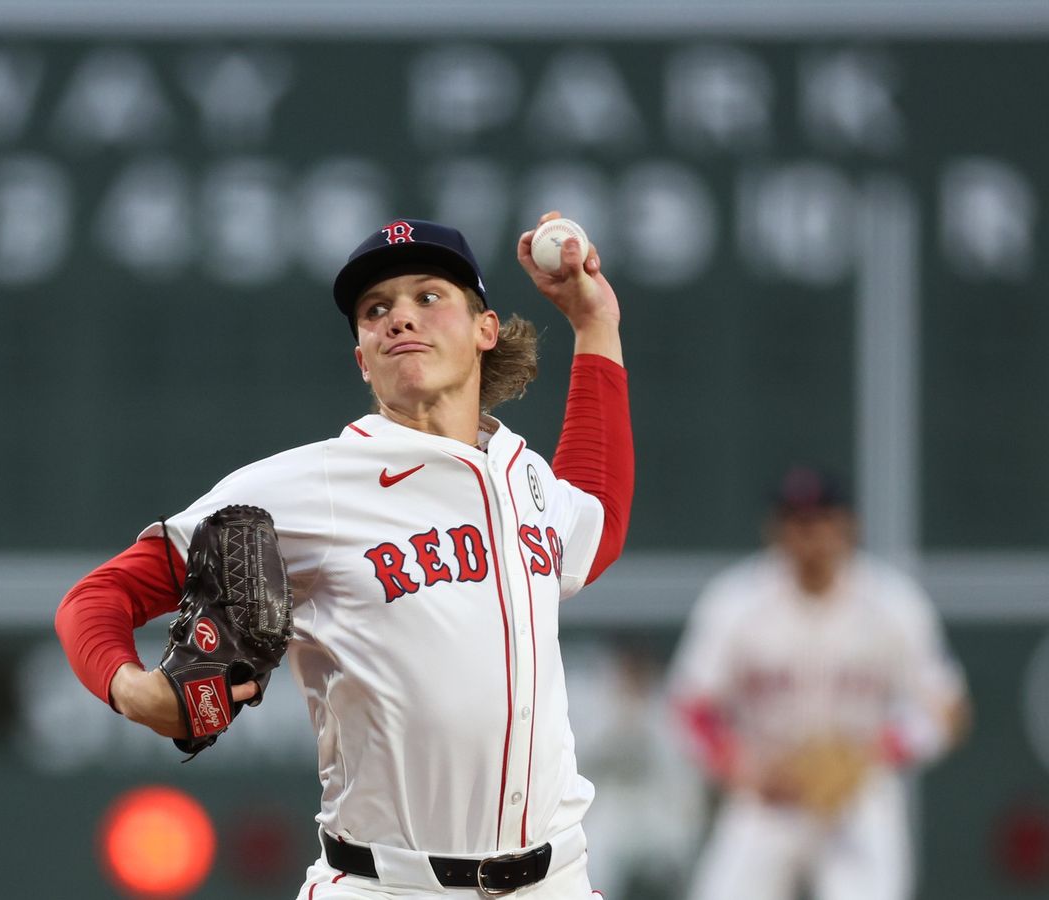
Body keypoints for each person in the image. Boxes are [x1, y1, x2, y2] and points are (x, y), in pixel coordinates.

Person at [56, 213, 633, 898]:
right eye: (376, 310)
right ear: (363, 357)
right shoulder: (310, 486)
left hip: (556, 880)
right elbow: (96, 598)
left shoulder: (523, 474)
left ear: (485, 331)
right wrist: (131, 690)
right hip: (385, 885)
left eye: (428, 296)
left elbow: (596, 520)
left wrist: (596, 326)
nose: (399, 318)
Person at [668, 466, 970, 900]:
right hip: (769, 792)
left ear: (849, 525)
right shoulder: (735, 601)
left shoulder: (892, 602)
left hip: (858, 797)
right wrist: (740, 766)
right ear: (774, 529)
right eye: (795, 520)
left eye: (821, 518)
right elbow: (688, 707)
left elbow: (946, 708)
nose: (808, 533)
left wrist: (876, 752)